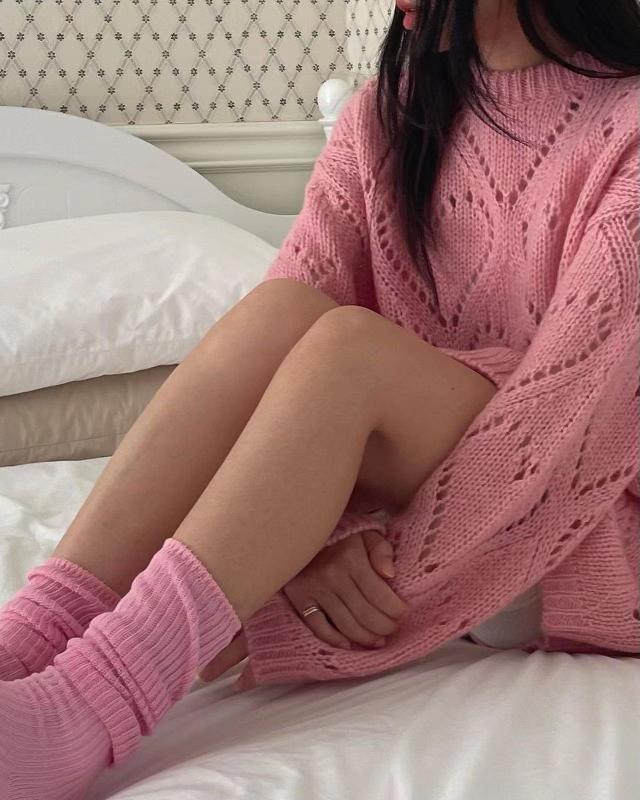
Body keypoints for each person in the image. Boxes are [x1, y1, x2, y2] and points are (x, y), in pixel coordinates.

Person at [1, 1, 639, 797]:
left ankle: (93, 704)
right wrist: (303, 544)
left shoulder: (630, 130)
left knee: (350, 352)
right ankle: (29, 637)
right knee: (285, 312)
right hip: (443, 487)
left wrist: (297, 596)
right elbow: (274, 370)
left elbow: (564, 430)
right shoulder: (389, 113)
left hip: (587, 533)